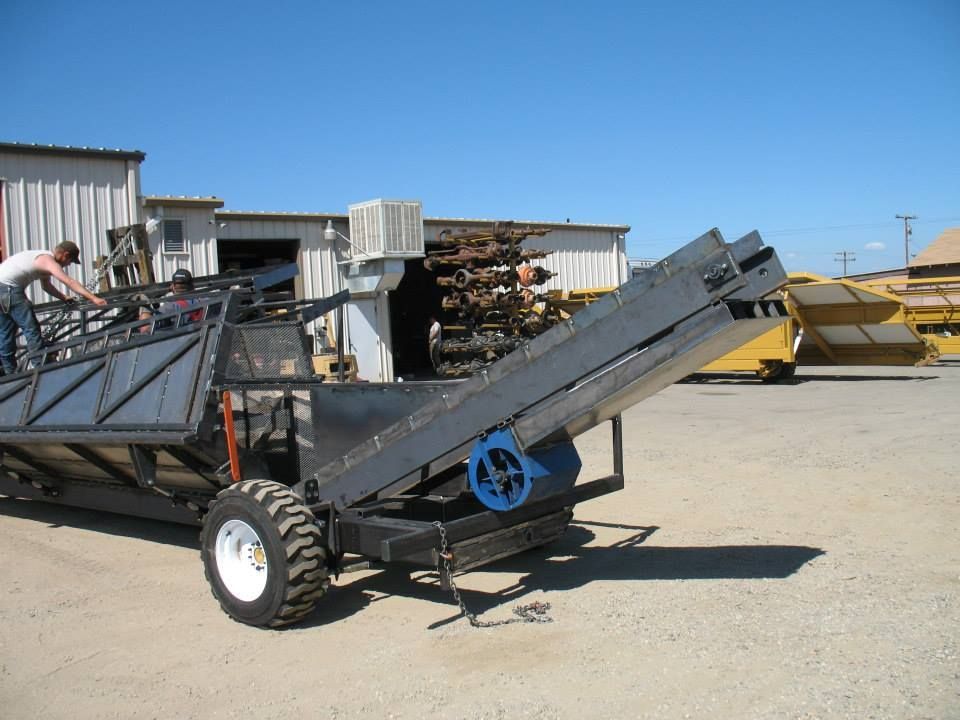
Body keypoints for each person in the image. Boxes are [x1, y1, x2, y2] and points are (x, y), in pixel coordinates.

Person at [0, 241, 107, 374]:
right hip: (9, 290)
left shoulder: (41, 260)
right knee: (31, 329)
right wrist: (93, 298)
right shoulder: (48, 261)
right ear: (65, 255)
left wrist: (63, 297)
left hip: (3, 288)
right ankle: (39, 366)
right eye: (70, 261)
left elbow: (46, 286)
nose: (68, 265)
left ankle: (9, 372)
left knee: (6, 332)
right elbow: (69, 281)